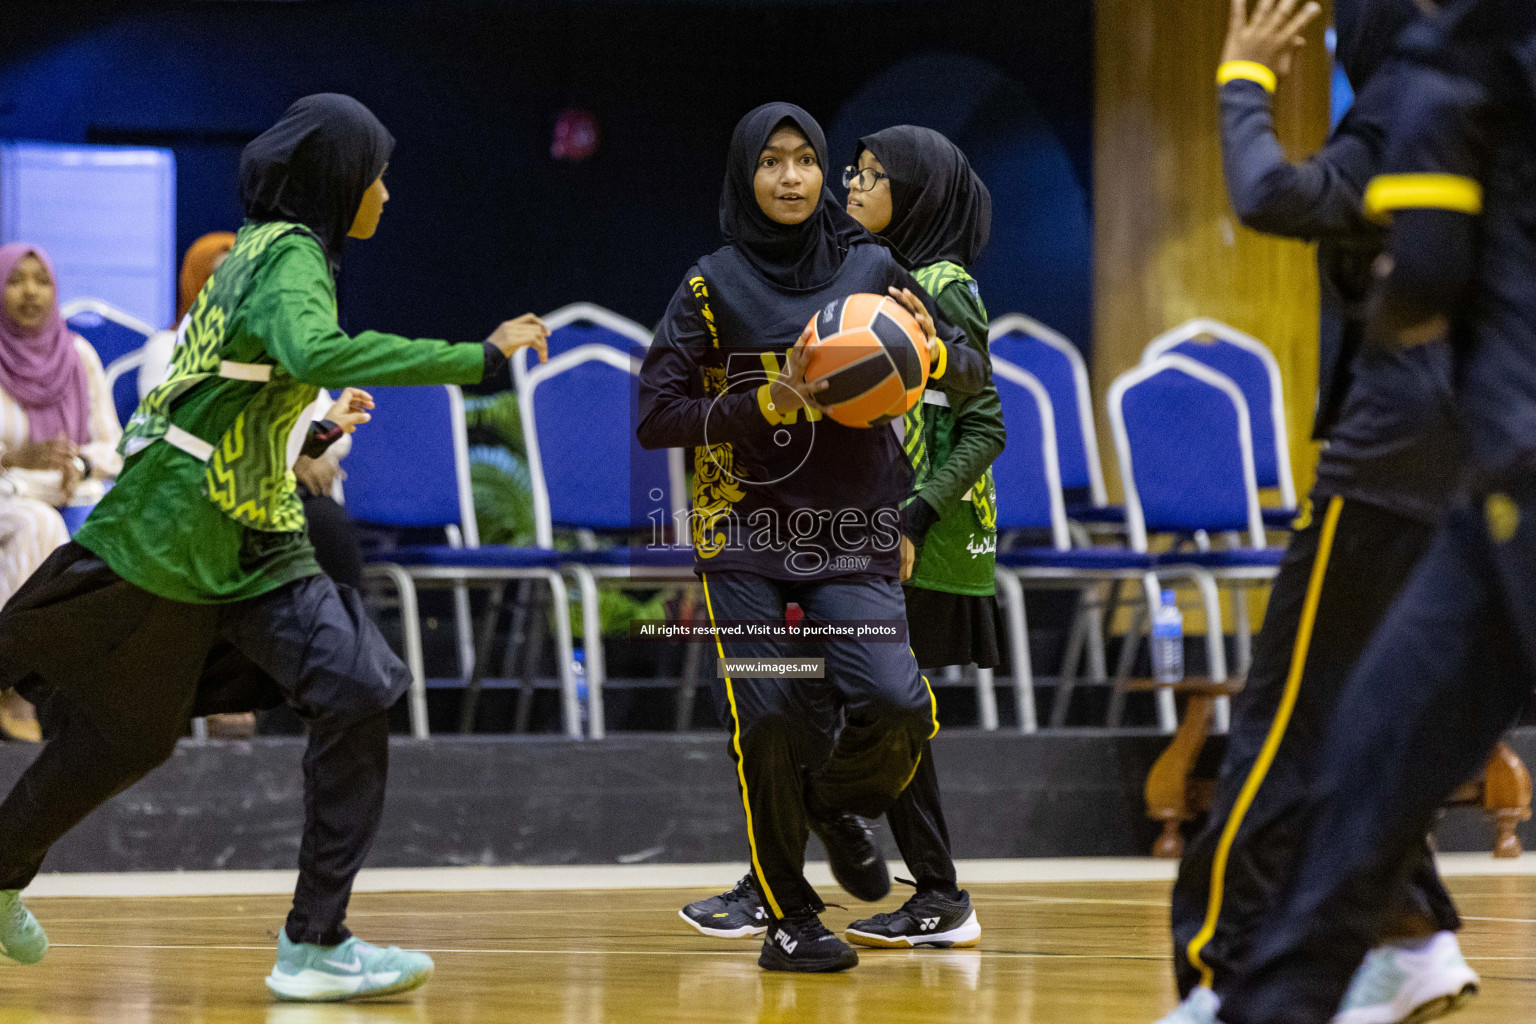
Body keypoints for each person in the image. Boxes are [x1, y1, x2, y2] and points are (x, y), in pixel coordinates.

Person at [0, 93, 549, 1002]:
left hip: (253, 531)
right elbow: (312, 348)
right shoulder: (290, 253)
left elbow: (241, 385)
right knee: (120, 734)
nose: (385, 192)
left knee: (356, 686)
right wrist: (479, 358)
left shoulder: (266, 251)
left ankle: (316, 943)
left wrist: (311, 439)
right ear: (338, 179)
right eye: (376, 174)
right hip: (174, 531)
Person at [1205, 2, 1536, 1023]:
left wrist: (1241, 84)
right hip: (1467, 470)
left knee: (1293, 728)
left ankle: (1219, 968)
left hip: (1426, 455)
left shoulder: (1434, 77)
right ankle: (1408, 940)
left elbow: (1302, 210)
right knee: (1377, 735)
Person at [638, 102, 987, 973]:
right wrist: (768, 403)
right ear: (745, 175)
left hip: (855, 530)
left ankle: (833, 805)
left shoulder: (876, 266)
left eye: (804, 160)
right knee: (770, 717)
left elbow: (976, 379)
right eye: (771, 162)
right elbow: (656, 415)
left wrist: (933, 356)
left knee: (899, 702)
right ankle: (791, 916)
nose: (791, 177)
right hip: (743, 536)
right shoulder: (710, 284)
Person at [0, 242, 124, 741]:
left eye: (42, 280)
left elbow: (113, 447)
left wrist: (76, 459)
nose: (30, 292)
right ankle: (17, 689)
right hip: (11, 495)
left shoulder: (78, 356)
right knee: (39, 524)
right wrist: (13, 456)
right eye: (15, 280)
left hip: (62, 494)